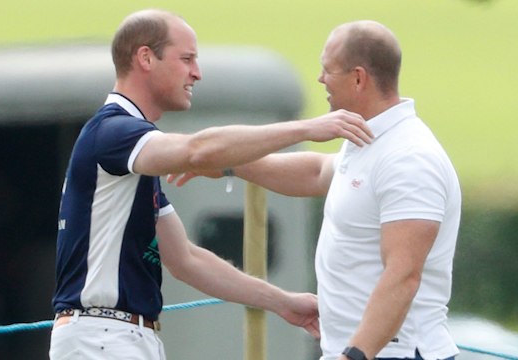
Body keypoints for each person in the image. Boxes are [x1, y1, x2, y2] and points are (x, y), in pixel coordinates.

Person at [49, 9, 375, 360]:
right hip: (103, 339)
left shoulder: (128, 150)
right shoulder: (114, 133)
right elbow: (196, 151)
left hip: (115, 338)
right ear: (145, 57)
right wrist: (305, 129)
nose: (197, 73)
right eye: (186, 58)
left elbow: (187, 259)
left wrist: (284, 303)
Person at [170, 20, 461, 360]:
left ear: (358, 78)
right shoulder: (371, 140)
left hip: (393, 353)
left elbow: (404, 276)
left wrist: (354, 355)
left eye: (327, 70)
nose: (321, 79)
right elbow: (319, 172)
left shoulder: (409, 158)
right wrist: (231, 165)